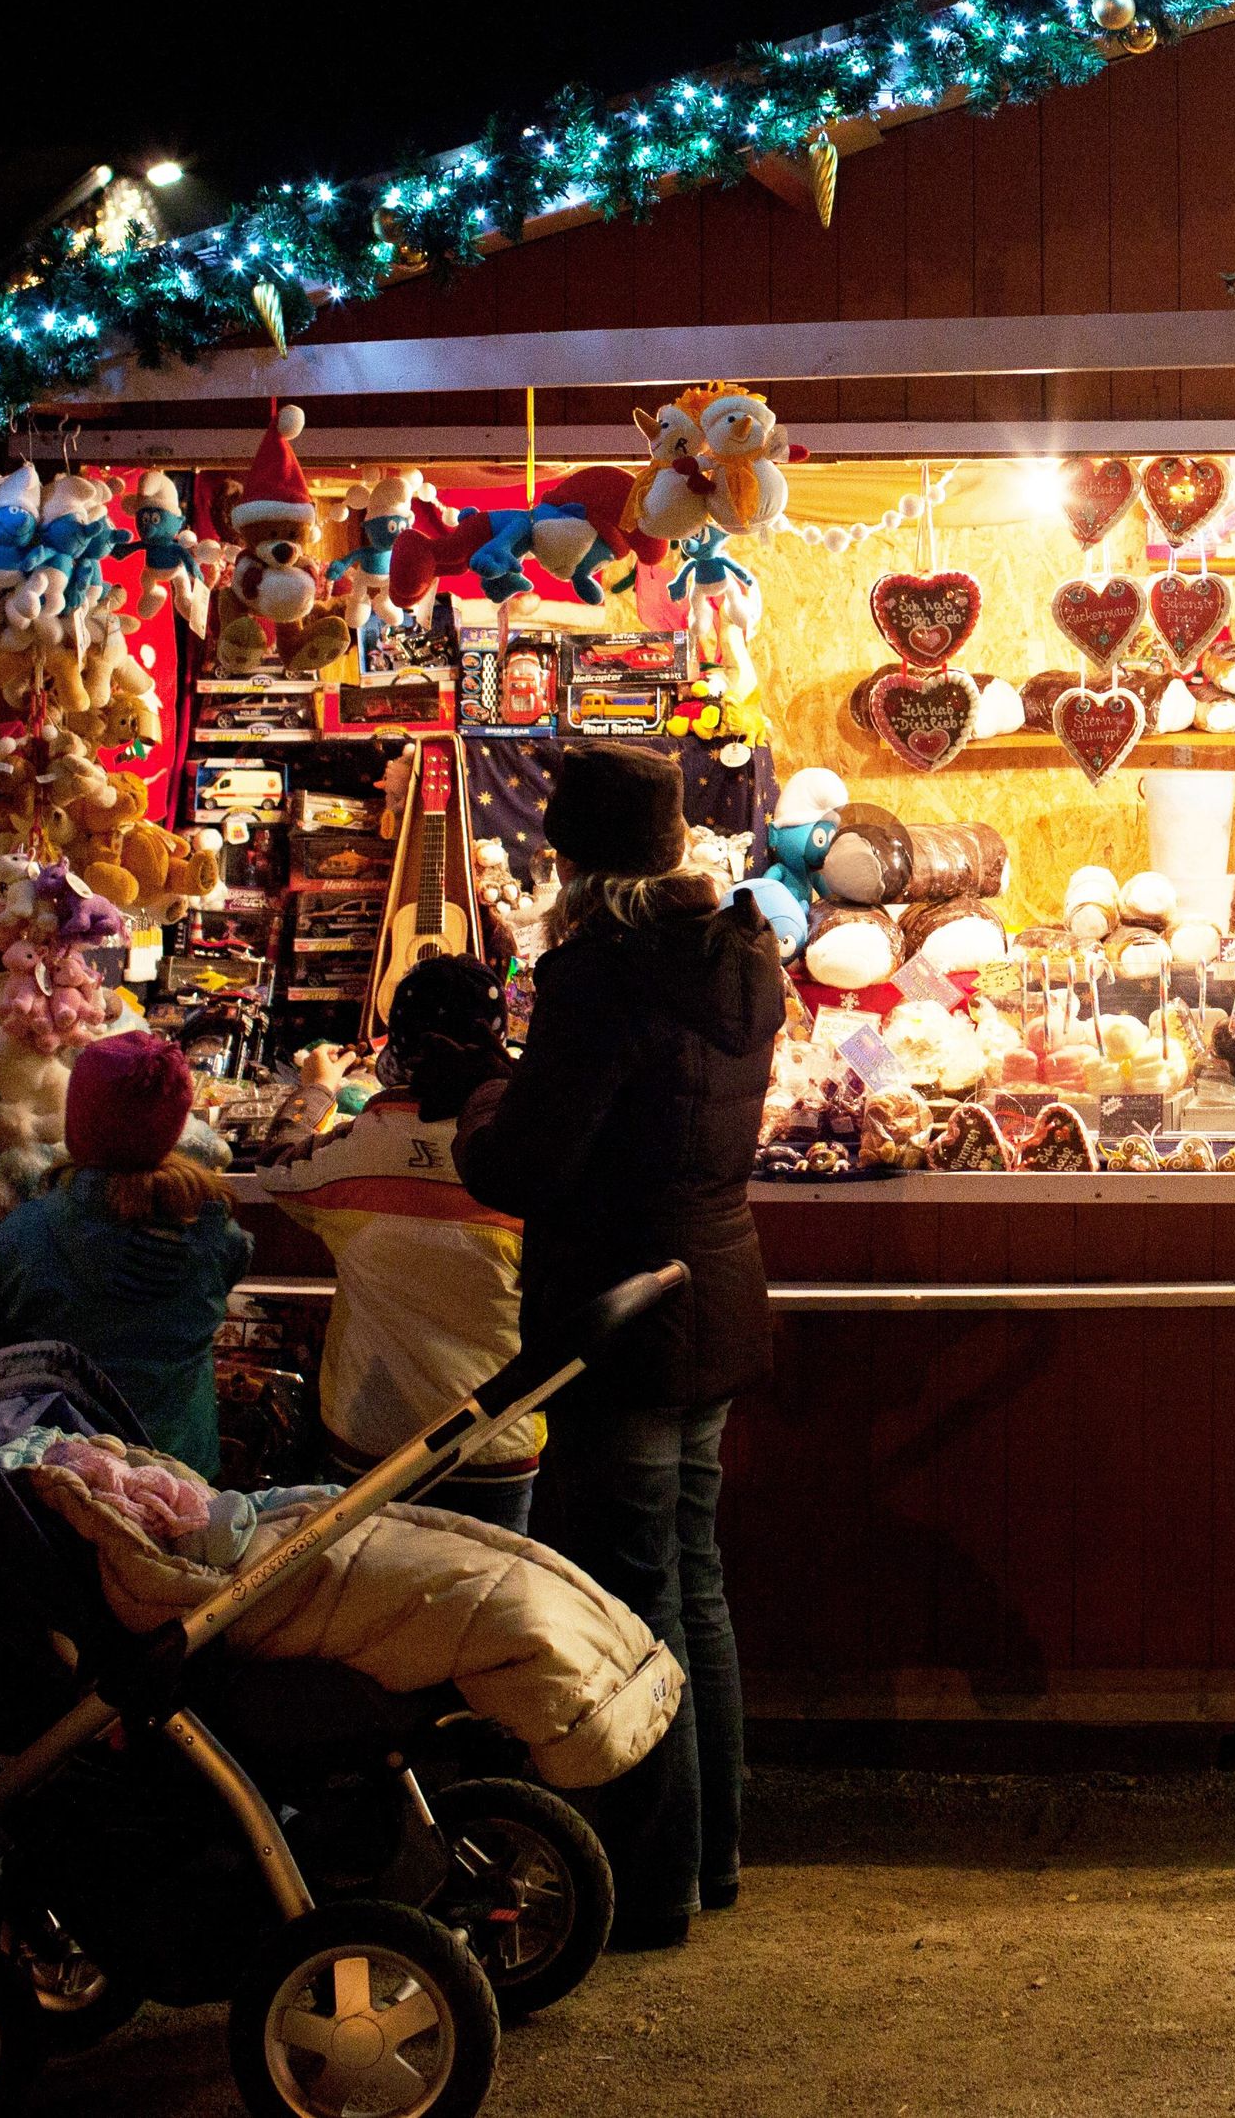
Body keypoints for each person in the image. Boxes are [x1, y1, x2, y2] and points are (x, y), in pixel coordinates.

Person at [422, 741, 781, 1942]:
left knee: (635, 1609)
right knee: (700, 1578)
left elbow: (528, 1161)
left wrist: (479, 1097)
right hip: (715, 1290)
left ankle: (649, 1885)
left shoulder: (598, 979)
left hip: (621, 1309)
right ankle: (713, 1854)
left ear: (573, 863)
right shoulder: (741, 956)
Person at [259, 953, 545, 1532]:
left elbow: (273, 1168)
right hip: (498, 1441)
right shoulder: (532, 1146)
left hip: (372, 1440)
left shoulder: (361, 1148)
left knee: (373, 1606)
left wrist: (316, 1092)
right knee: (491, 1608)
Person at [0, 1029, 248, 1475]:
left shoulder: (21, 1239)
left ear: (79, 1121)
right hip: (184, 1474)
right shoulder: (221, 1236)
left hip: (65, 1478)